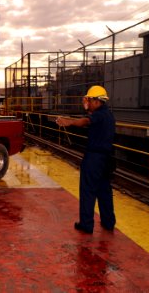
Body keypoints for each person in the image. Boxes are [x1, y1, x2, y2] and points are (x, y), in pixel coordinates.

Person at [56, 85, 116, 234]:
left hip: (94, 158)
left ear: (96, 101)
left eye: (89, 100)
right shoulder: (108, 114)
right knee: (104, 191)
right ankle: (108, 222)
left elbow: (85, 121)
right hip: (106, 159)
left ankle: (86, 224)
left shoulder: (98, 115)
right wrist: (87, 109)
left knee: (88, 190)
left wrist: (68, 121)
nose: (87, 103)